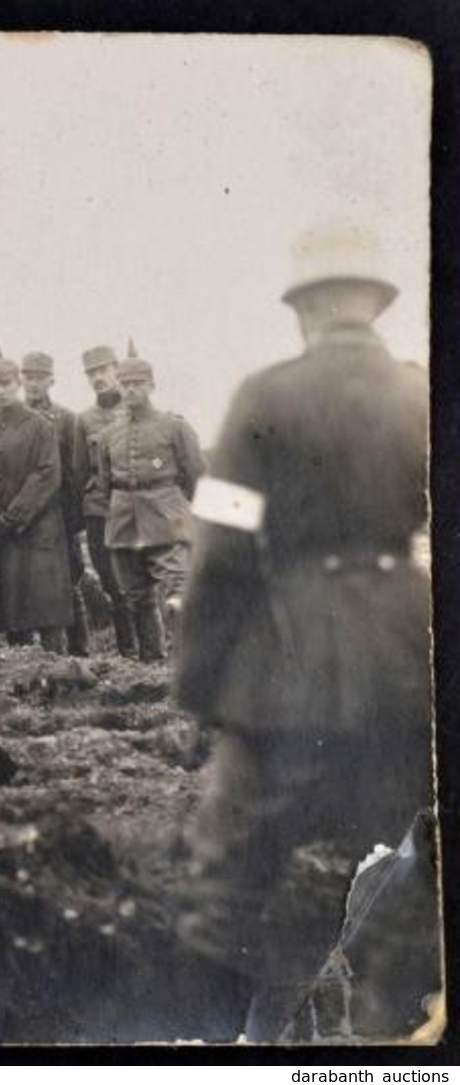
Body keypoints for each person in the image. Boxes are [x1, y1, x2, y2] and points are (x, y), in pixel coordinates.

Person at [174, 224, 434, 1041]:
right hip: (405, 655)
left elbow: (218, 547)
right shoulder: (420, 396)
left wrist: (200, 685)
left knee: (225, 879)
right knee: (409, 848)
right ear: (372, 303)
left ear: (304, 306)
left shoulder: (264, 397)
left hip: (283, 660)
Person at [93, 351, 205, 662]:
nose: (130, 389)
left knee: (178, 588)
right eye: (125, 383)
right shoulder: (108, 435)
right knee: (135, 595)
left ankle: (189, 663)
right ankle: (151, 663)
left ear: (152, 385)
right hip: (123, 519)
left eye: (138, 383)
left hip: (166, 516)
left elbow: (194, 473)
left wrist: (179, 509)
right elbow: (103, 481)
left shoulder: (174, 427)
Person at [0, 345, 72, 650]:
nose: (0, 391)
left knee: (45, 608)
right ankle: (20, 676)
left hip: (36, 530)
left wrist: (15, 516)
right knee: (7, 605)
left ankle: (58, 673)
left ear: (18, 384)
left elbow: (47, 473)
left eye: (6, 384)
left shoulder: (41, 426)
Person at [20, 351, 90, 655]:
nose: (33, 384)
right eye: (28, 377)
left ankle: (79, 648)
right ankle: (27, 650)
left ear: (51, 380)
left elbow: (76, 471)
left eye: (39, 378)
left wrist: (73, 519)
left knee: (68, 579)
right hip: (23, 512)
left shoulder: (67, 419)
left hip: (57, 511)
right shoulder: (13, 415)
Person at [76, 344, 135, 657]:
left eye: (103, 370)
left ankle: (155, 651)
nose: (98, 377)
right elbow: (79, 469)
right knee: (111, 582)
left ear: (116, 369)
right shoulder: (84, 420)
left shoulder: (138, 409)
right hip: (99, 511)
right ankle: (127, 651)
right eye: (91, 373)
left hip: (137, 510)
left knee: (141, 583)